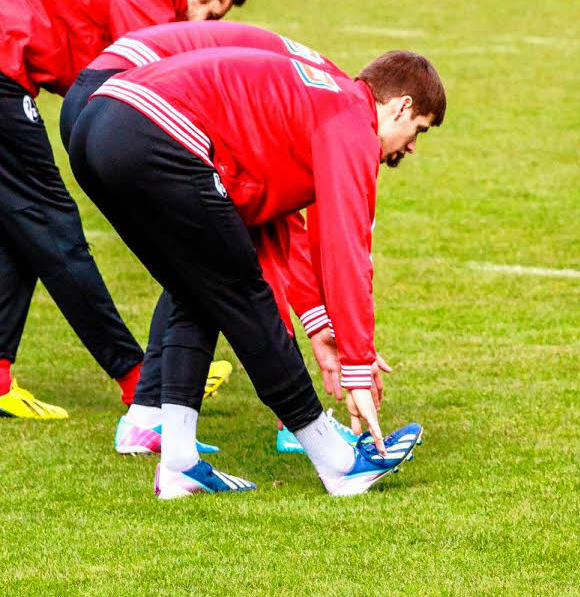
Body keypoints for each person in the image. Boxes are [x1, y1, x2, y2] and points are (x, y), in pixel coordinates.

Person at [69, 47, 445, 498]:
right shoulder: (351, 116)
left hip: (97, 123)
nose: (410, 147)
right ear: (402, 105)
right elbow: (347, 246)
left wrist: (324, 325)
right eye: (417, 130)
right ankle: (339, 465)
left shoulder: (319, 103)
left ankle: (179, 464)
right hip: (151, 125)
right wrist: (359, 364)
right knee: (244, 294)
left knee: (197, 292)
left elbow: (279, 227)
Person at [59, 20, 358, 455]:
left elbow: (271, 212)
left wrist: (315, 321)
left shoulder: (308, 80)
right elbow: (279, 219)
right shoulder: (328, 109)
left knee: (197, 276)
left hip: (105, 104)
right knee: (223, 274)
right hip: (131, 106)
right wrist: (320, 326)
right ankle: (311, 437)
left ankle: (149, 421)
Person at [0, 0, 246, 419]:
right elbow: (135, 111)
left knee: (23, 224)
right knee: (53, 225)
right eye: (207, 14)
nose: (201, 29)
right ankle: (138, 377)